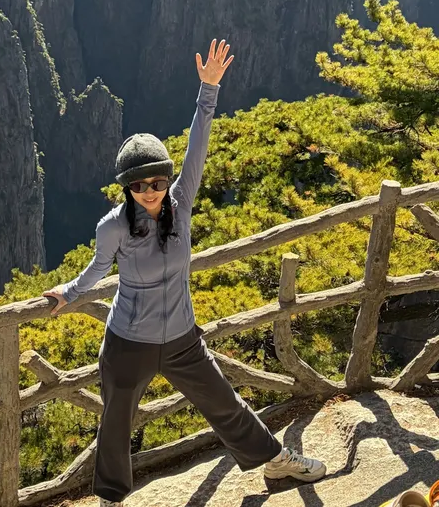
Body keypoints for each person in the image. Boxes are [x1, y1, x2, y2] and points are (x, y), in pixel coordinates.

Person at [44, 39, 326, 506]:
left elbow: (200, 140)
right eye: (139, 185)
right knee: (115, 426)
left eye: (157, 181)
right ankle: (110, 499)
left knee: (225, 406)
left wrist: (208, 89)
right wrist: (67, 295)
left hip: (180, 339)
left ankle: (276, 462)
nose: (150, 191)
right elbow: (95, 271)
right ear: (127, 188)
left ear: (167, 178)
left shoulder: (182, 200)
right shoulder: (112, 226)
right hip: (127, 343)